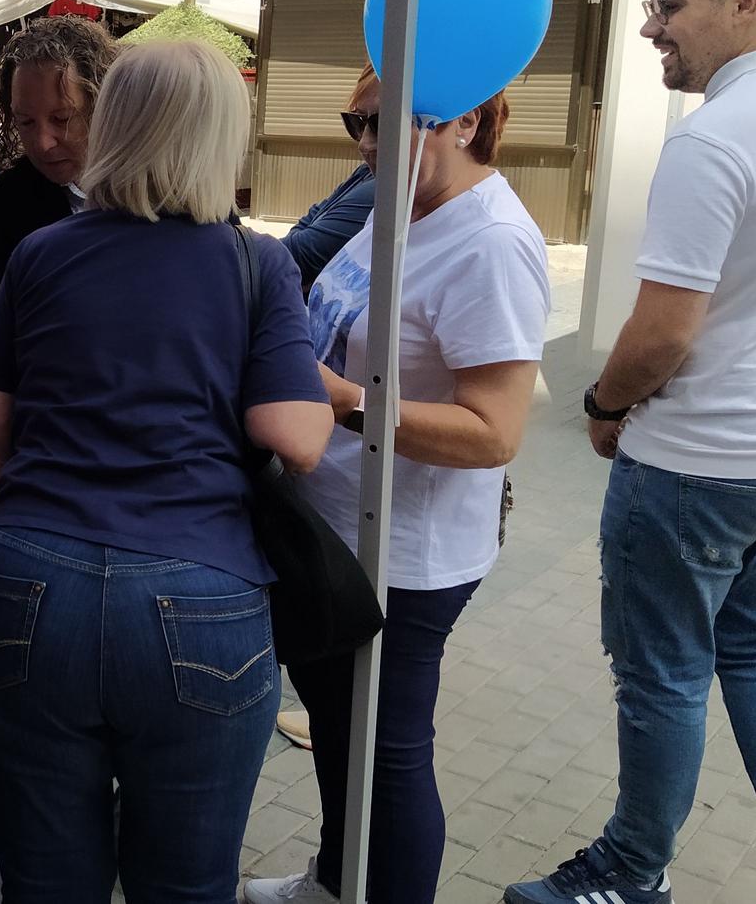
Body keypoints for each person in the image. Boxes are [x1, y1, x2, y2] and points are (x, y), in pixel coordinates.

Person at [507, 0, 756, 904]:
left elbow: (661, 333)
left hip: (702, 470)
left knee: (664, 677)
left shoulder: (714, 137)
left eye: (667, 5)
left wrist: (597, 401)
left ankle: (631, 872)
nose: (647, 28)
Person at [0, 40, 333, 902]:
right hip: (199, 596)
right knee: (187, 884)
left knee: (47, 880)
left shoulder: (43, 252)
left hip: (24, 586)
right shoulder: (255, 263)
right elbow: (295, 435)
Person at [241, 68, 549, 904]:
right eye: (358, 124)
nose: (370, 145)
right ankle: (337, 882)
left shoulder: (491, 243)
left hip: (405, 553)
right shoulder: (400, 203)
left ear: (468, 122)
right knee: (345, 740)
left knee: (387, 751)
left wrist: (339, 400)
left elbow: (495, 433)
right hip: (338, 526)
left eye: (392, 124)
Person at [0, 15, 120, 544]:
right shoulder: (9, 194)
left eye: (63, 117)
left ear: (107, 104)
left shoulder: (165, 190)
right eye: (26, 123)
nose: (45, 141)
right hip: (38, 459)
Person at [282, 80, 379, 289]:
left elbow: (301, 254)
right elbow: (310, 220)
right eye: (358, 123)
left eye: (384, 125)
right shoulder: (368, 172)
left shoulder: (386, 188)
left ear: (464, 123)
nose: (364, 143)